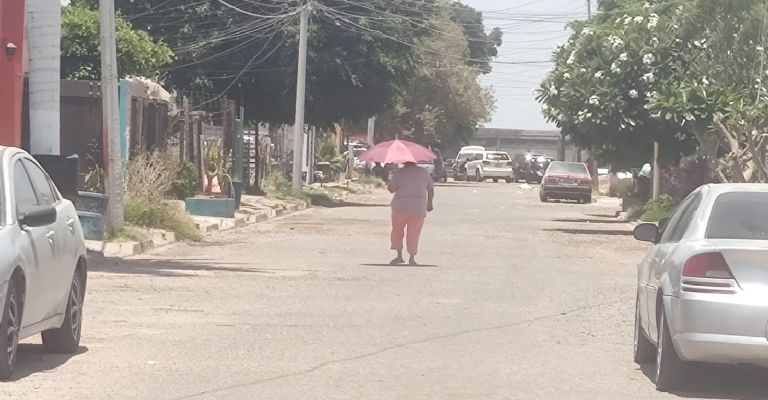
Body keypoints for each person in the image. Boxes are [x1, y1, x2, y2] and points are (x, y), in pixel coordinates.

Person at [388, 162, 434, 265]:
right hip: (418, 206)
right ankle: (412, 257)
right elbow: (430, 189)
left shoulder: (399, 173)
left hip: (400, 206)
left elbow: (391, 189)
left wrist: (389, 181)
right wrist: (429, 203)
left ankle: (399, 256)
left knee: (397, 230)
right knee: (414, 233)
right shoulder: (424, 172)